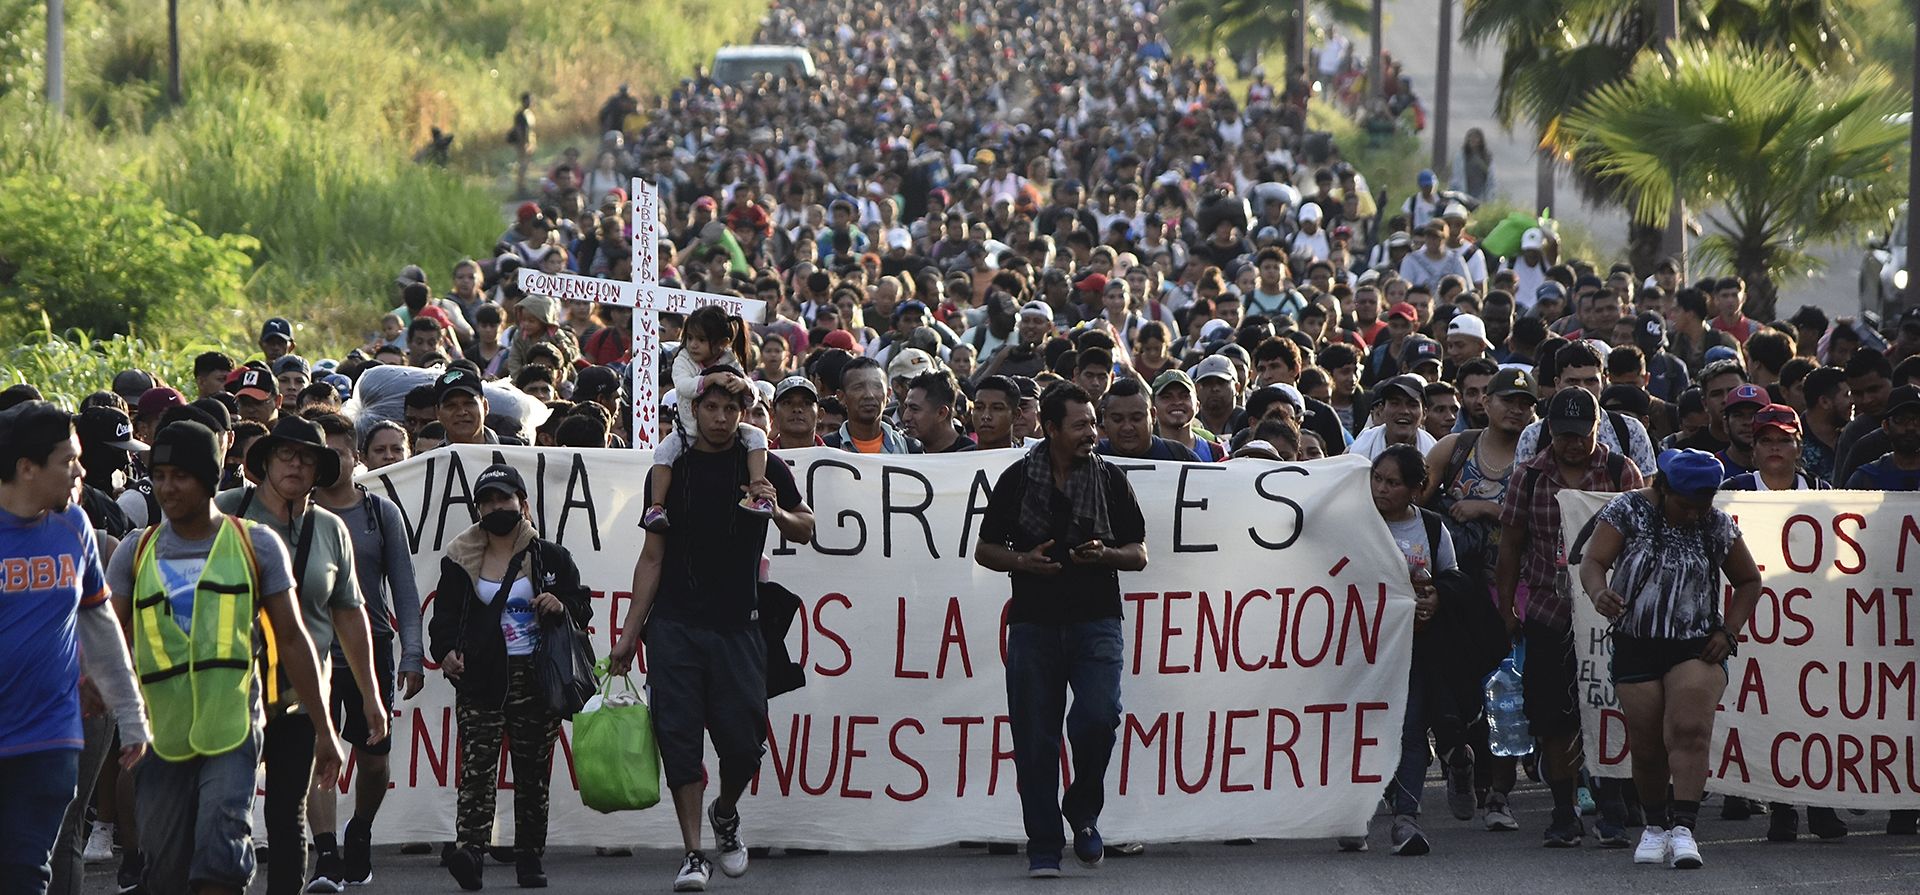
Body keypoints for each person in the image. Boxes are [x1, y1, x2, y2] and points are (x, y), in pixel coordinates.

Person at [109, 420, 342, 895]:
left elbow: (294, 640)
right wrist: (94, 690)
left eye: (181, 475)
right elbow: (104, 638)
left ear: (209, 478)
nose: (167, 488)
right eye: (160, 475)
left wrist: (324, 729)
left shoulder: (254, 544)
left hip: (232, 731)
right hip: (160, 739)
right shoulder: (135, 552)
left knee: (221, 861)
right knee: (167, 873)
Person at [606, 371, 815, 892]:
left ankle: (726, 813)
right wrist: (630, 634)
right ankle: (694, 853)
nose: (721, 418)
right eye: (712, 408)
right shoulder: (672, 468)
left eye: (731, 410)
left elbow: (805, 527)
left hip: (740, 629)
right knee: (679, 741)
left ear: (744, 414)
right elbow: (652, 557)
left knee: (744, 746)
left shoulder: (762, 465)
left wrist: (777, 508)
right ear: (694, 411)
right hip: (675, 626)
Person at [974, 383, 1148, 878]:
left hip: (1097, 623)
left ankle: (1083, 809)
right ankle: (1044, 847)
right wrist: (1023, 562)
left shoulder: (1110, 480)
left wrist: (1107, 555)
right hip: (1034, 625)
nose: (1092, 433)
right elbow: (985, 551)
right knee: (1035, 739)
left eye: (1095, 424)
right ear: (1050, 429)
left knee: (1099, 718)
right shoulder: (1016, 480)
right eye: (1081, 425)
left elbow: (1138, 553)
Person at [213, 417, 384, 895]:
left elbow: (351, 617)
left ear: (319, 470)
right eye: (285, 454)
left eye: (306, 457)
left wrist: (370, 695)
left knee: (287, 811)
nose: (295, 464)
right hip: (228, 687)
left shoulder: (330, 530)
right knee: (226, 808)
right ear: (264, 462)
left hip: (302, 692)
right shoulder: (226, 511)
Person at [1580, 449, 1761, 869]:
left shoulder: (1716, 525)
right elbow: (1593, 562)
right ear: (1663, 488)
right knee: (1646, 746)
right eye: (1686, 505)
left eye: (1704, 506)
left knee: (1690, 730)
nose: (1695, 514)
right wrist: (1597, 591)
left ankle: (1684, 829)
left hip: (1695, 645)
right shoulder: (1627, 510)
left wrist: (1728, 631)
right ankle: (1655, 826)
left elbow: (1750, 581)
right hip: (1636, 642)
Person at [0, 402, 150, 895]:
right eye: (68, 460)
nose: (81, 471)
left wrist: (130, 714)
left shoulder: (74, 527)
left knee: (29, 871)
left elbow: (99, 622)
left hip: (51, 736)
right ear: (27, 468)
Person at [428, 463, 593, 890]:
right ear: (477, 508)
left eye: (504, 498)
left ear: (523, 503)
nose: (497, 506)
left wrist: (562, 604)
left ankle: (528, 857)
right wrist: (444, 653)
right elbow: (443, 618)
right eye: (488, 500)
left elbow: (580, 603)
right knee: (477, 769)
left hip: (537, 676)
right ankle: (471, 852)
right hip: (482, 677)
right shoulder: (459, 556)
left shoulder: (551, 556)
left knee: (532, 774)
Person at [1494, 387, 1643, 848]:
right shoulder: (1529, 477)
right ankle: (1563, 810)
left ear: (1596, 431)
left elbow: (1643, 540)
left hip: (1610, 615)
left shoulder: (1621, 472)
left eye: (1581, 435)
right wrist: (1506, 609)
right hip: (1549, 610)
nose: (1573, 444)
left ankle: (1614, 807)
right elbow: (1510, 546)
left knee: (1613, 710)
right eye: (1563, 435)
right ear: (1548, 433)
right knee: (1555, 719)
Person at [304, 413, 424, 889]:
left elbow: (405, 590)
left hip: (370, 648)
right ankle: (327, 852)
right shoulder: (296, 512)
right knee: (319, 752)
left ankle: (360, 829)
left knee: (373, 760)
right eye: (323, 454)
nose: (332, 462)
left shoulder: (381, 513)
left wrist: (412, 653)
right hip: (310, 651)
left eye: (340, 453)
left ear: (355, 457)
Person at [1360, 445, 1458, 857]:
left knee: (1411, 727)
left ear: (1416, 490)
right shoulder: (1354, 525)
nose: (1381, 489)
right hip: (1360, 650)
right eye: (1377, 479)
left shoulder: (1433, 529)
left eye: (1392, 483)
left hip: (1414, 648)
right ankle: (1355, 813)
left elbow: (1451, 577)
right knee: (1360, 730)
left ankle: (1406, 818)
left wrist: (1437, 597)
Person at [643, 307, 774, 531]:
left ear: (722, 342)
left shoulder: (730, 359)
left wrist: (744, 385)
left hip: (728, 432)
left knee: (758, 436)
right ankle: (656, 507)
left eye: (701, 339)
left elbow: (749, 401)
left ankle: (757, 491)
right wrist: (711, 378)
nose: (693, 344)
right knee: (663, 453)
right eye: (690, 338)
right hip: (688, 429)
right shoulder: (683, 359)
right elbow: (684, 386)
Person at [823, 357, 922, 452]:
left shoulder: (909, 449)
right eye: (858, 387)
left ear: (888, 394)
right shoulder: (827, 448)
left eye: (876, 386)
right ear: (841, 397)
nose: (869, 395)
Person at [1096, 377, 1200, 461]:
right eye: (1117, 419)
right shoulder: (1090, 460)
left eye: (1136, 419)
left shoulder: (1181, 457)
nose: (1127, 427)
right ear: (1104, 418)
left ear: (1153, 415)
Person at [1351, 375, 1436, 459]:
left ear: (1424, 414)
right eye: (1395, 403)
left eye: (1412, 405)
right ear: (1381, 411)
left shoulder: (1435, 453)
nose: (1404, 411)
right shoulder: (1360, 449)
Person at [769, 376, 824, 449]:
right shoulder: (761, 459)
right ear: (773, 413)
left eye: (807, 403)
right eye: (787, 403)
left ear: (820, 414)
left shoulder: (834, 458)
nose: (797, 409)